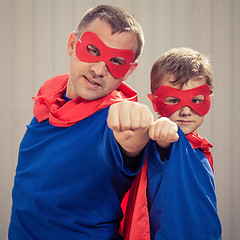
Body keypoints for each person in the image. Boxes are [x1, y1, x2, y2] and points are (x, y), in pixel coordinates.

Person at [8, 5, 153, 240]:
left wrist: (140, 123)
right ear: (72, 44)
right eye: (93, 50)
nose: (98, 69)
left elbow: (131, 139)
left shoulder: (113, 120)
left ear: (128, 71)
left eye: (116, 61)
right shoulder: (50, 98)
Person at [122, 48, 222, 239]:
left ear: (209, 100)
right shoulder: (168, 139)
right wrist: (162, 127)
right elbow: (163, 135)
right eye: (174, 100)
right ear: (154, 102)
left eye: (196, 100)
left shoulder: (198, 147)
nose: (185, 110)